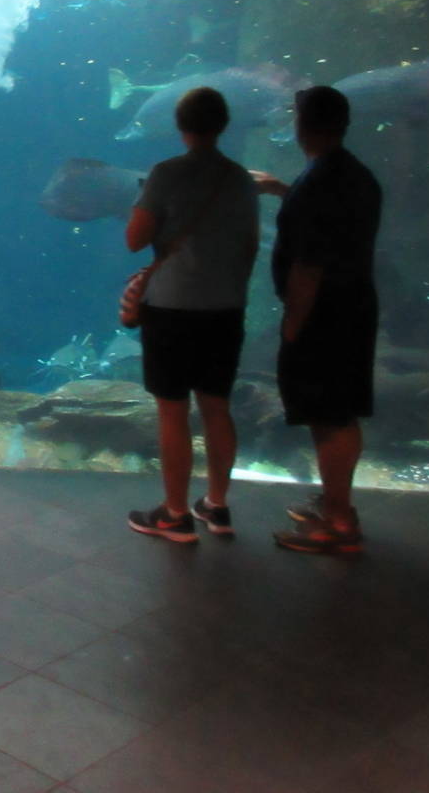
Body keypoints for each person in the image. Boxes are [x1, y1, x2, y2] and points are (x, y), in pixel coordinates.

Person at [124, 87, 260, 544]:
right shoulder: (241, 178)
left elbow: (134, 239)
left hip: (172, 308)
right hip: (225, 308)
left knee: (173, 411)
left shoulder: (165, 173)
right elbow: (250, 245)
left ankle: (175, 514)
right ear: (224, 125)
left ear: (178, 127)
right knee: (217, 408)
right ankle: (217, 506)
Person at [253, 85, 381, 555]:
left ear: (303, 125)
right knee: (337, 411)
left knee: (330, 417)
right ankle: (334, 502)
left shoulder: (317, 184)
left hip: (323, 317)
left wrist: (293, 321)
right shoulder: (355, 176)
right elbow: (333, 225)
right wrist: (283, 190)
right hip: (354, 308)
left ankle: (338, 522)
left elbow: (309, 264)